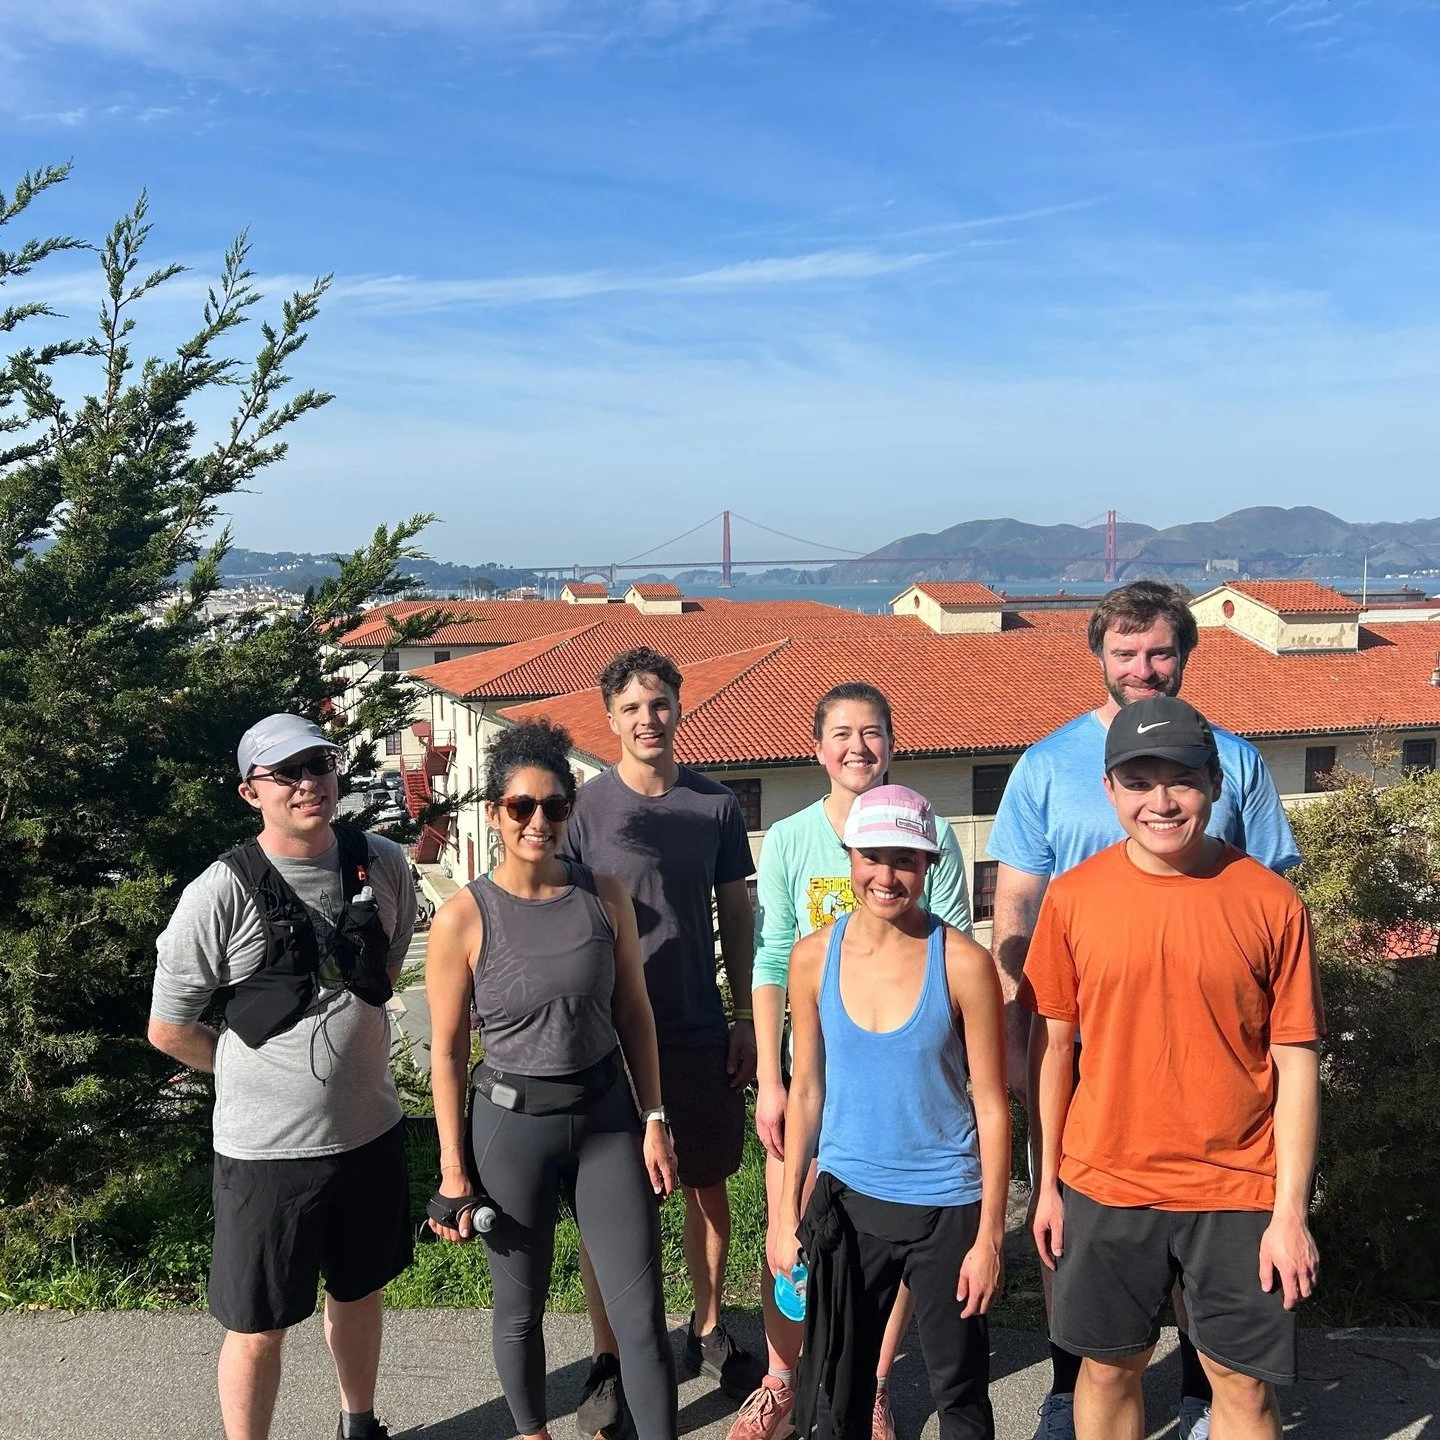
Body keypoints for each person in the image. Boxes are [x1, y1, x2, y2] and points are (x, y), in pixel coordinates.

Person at [986, 580, 1299, 1440]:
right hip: (1084, 1039)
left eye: (1160, 651)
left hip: (1214, 1049)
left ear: (1186, 656)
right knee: (1084, 1255)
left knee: (1212, 1252)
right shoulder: (1047, 764)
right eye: (1125, 653)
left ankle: (1207, 1393)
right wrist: (1028, 1019)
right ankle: (1064, 1383)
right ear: (1099, 657)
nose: (1143, 667)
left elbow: (1274, 894)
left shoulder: (1235, 760)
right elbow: (1017, 906)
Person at [148, 714, 417, 1440]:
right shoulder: (220, 892)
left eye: (320, 765)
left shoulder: (383, 862)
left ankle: (360, 1421)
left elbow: (386, 970)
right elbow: (168, 1027)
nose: (309, 783)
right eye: (287, 773)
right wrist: (242, 1071)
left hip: (370, 1132)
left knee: (359, 1291)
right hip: (266, 1154)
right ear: (250, 792)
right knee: (258, 1322)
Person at [425, 718, 681, 1440]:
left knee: (640, 1317)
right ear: (496, 814)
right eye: (521, 807)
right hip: (511, 1128)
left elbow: (634, 1012)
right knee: (520, 1308)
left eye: (555, 807)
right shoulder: (464, 917)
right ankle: (533, 1434)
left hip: (606, 1119)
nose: (539, 821)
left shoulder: (604, 896)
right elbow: (445, 1054)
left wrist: (654, 1117)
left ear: (572, 810)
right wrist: (453, 1172)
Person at [735, 682, 975, 1440]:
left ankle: (869, 1380)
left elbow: (955, 942)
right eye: (841, 733)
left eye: (871, 733)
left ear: (891, 744)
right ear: (817, 747)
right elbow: (772, 956)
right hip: (811, 1080)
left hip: (898, 1086)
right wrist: (771, 1080)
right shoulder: (793, 836)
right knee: (792, 1240)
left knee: (889, 1245)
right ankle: (783, 1376)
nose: (857, 747)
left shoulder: (936, 836)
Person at [559, 647, 764, 1436]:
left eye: (661, 704)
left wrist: (746, 1015)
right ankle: (609, 1357)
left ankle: (707, 1330)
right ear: (609, 718)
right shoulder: (582, 810)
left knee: (708, 1186)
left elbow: (736, 916)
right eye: (633, 708)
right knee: (609, 1208)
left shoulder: (713, 806)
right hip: (607, 1038)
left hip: (695, 1027)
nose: (649, 719)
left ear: (680, 710)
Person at [772, 785, 1008, 1440]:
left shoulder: (964, 963)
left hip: (946, 1207)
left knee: (958, 1388)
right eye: (872, 856)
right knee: (834, 1394)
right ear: (849, 856)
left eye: (905, 860)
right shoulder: (813, 957)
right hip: (849, 1204)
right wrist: (787, 1209)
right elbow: (807, 1089)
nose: (887, 876)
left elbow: (991, 1103)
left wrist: (990, 1236)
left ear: (928, 866)